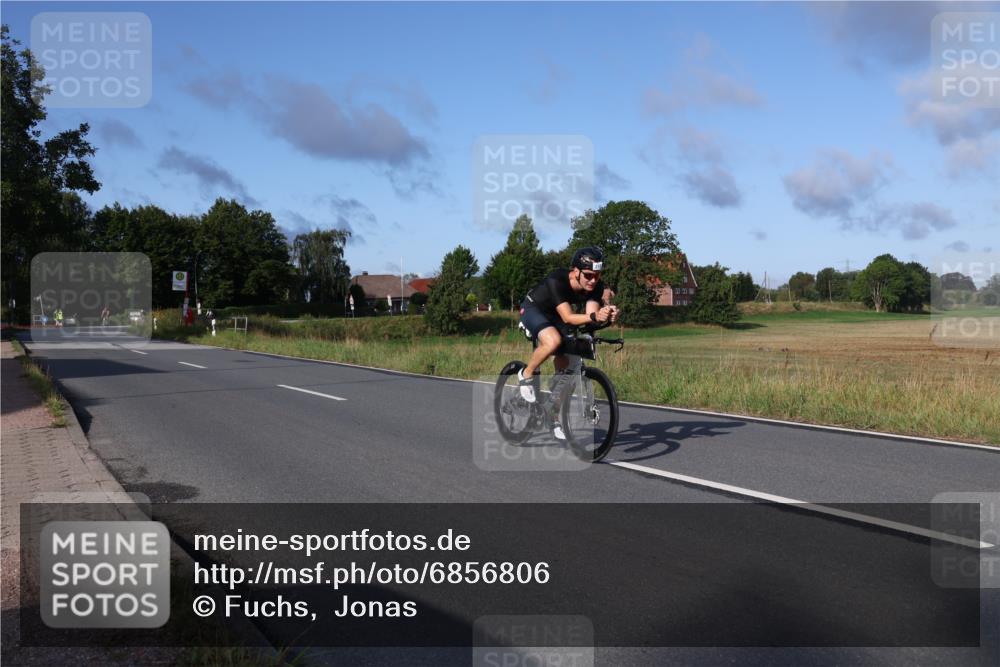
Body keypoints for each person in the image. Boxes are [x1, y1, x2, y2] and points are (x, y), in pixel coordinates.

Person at [517, 247, 620, 438]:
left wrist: (606, 316)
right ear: (575, 271)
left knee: (568, 370)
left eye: (597, 276)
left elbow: (592, 317)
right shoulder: (557, 280)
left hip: (557, 316)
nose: (592, 280)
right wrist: (595, 315)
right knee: (553, 341)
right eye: (588, 275)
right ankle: (526, 373)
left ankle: (552, 415)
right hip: (534, 309)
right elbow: (568, 317)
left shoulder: (595, 286)